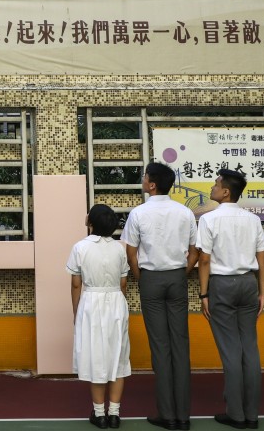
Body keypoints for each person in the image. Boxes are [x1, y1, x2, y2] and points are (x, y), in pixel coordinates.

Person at [120, 163, 198, 431]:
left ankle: (167, 414)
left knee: (160, 347)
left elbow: (131, 253)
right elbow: (195, 250)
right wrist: (182, 272)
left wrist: (142, 278)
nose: (142, 180)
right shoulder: (185, 211)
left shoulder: (138, 213)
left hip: (151, 278)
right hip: (177, 276)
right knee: (180, 343)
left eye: (144, 177)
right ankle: (183, 415)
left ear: (152, 184)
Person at [197, 168, 264, 430]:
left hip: (222, 285)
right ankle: (252, 414)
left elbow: (204, 259)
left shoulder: (209, 220)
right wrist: (262, 292)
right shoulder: (253, 220)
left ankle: (236, 414)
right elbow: (262, 259)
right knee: (250, 348)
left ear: (226, 191)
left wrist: (204, 293)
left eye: (216, 184)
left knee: (230, 352)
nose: (212, 187)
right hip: (248, 283)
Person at [67, 203, 131, 430]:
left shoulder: (80, 248)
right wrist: (119, 307)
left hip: (91, 303)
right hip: (116, 302)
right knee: (118, 359)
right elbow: (123, 283)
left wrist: (77, 312)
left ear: (90, 222)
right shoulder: (119, 249)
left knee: (96, 359)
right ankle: (114, 414)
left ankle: (99, 414)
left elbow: (76, 284)